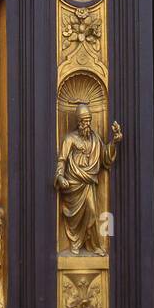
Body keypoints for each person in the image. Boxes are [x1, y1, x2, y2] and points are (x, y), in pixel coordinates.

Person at [54, 104, 122, 254]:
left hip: (88, 182)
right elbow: (62, 160)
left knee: (91, 210)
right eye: (84, 121)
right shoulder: (69, 139)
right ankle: (75, 241)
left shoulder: (95, 138)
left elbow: (105, 156)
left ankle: (94, 245)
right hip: (73, 183)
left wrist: (115, 142)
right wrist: (59, 176)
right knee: (75, 216)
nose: (87, 124)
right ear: (78, 122)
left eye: (89, 121)